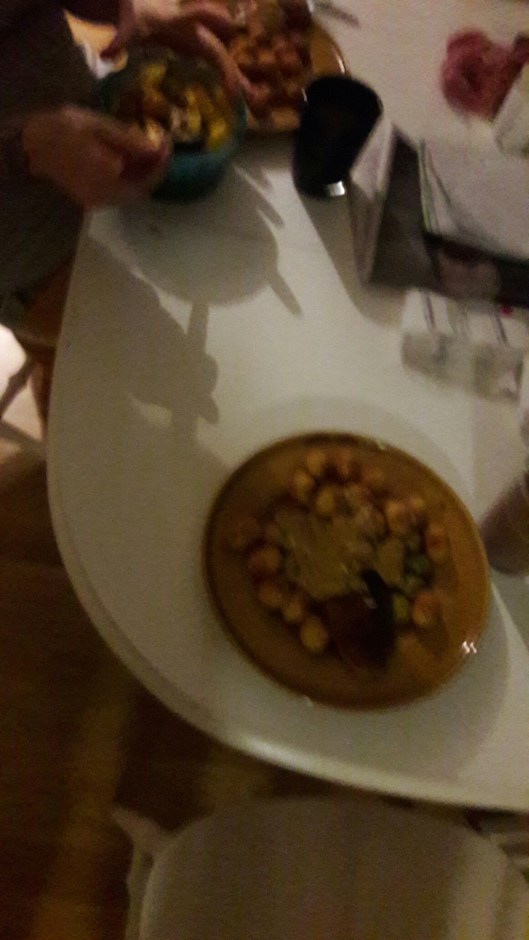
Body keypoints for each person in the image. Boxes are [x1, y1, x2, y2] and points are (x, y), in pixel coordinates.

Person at [0, 0, 243, 417]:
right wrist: (28, 146)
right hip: (24, 242)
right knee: (128, 378)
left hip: (90, 125)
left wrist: (124, 12)